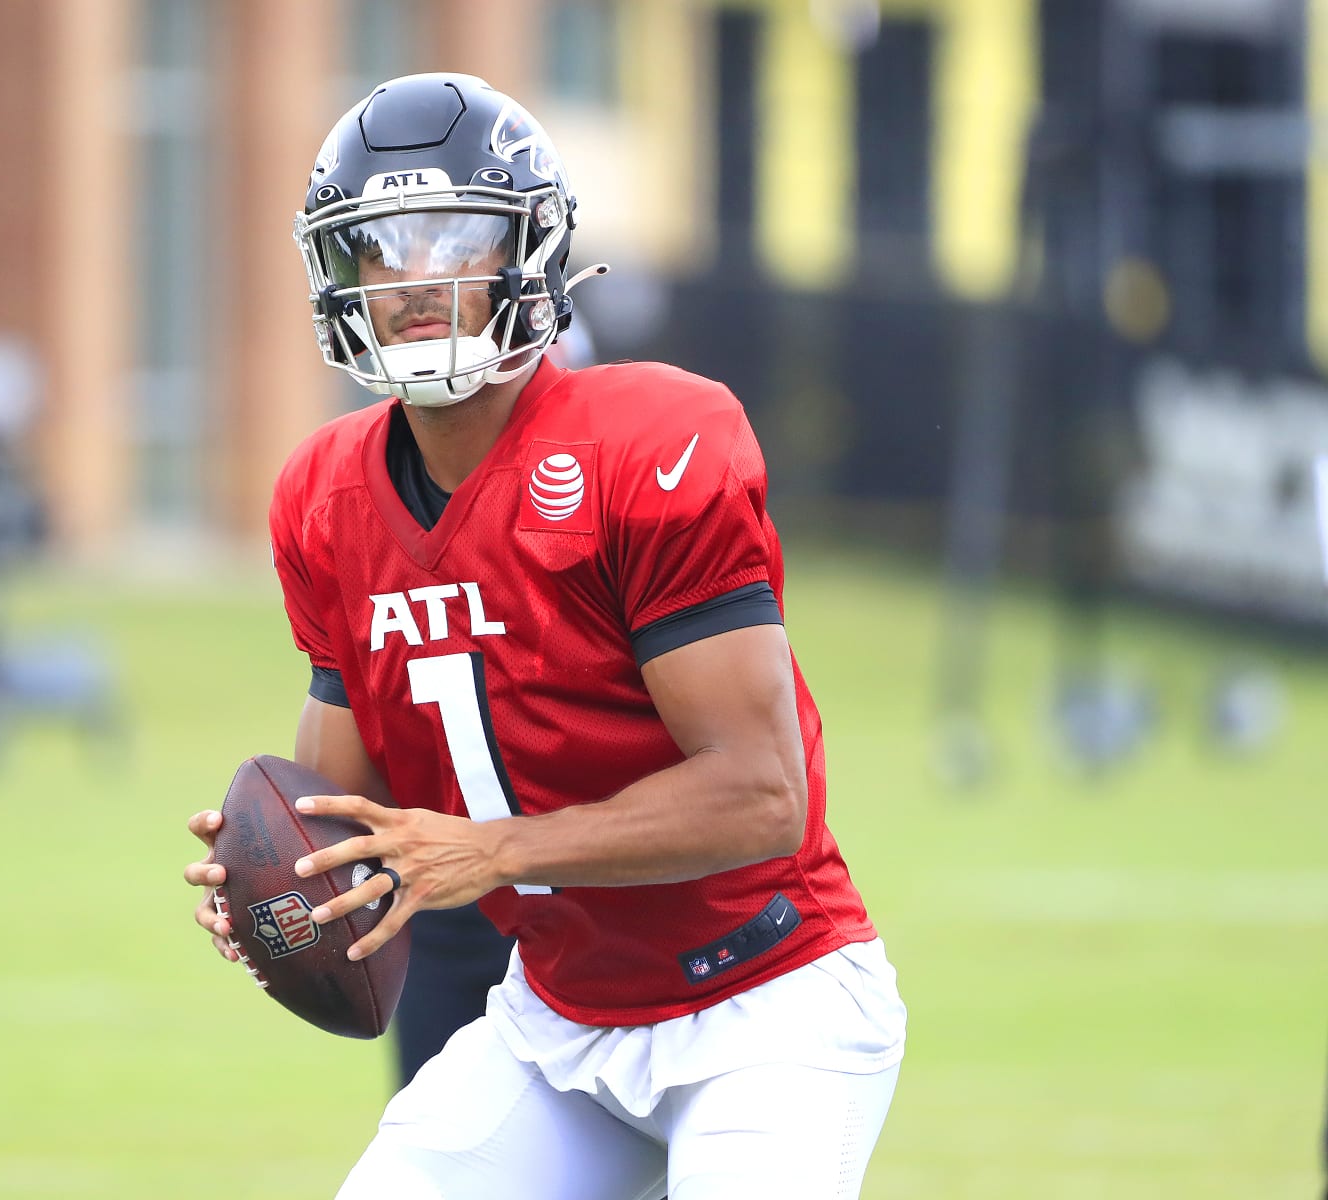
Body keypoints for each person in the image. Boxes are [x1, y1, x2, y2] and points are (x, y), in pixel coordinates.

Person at [183, 74, 905, 1198]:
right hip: (559, 1022)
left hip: (769, 1004)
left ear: (532, 252)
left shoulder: (651, 441)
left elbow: (763, 794)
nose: (415, 278)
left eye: (453, 239)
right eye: (379, 248)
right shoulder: (324, 497)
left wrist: (499, 850)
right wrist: (282, 883)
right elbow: (349, 816)